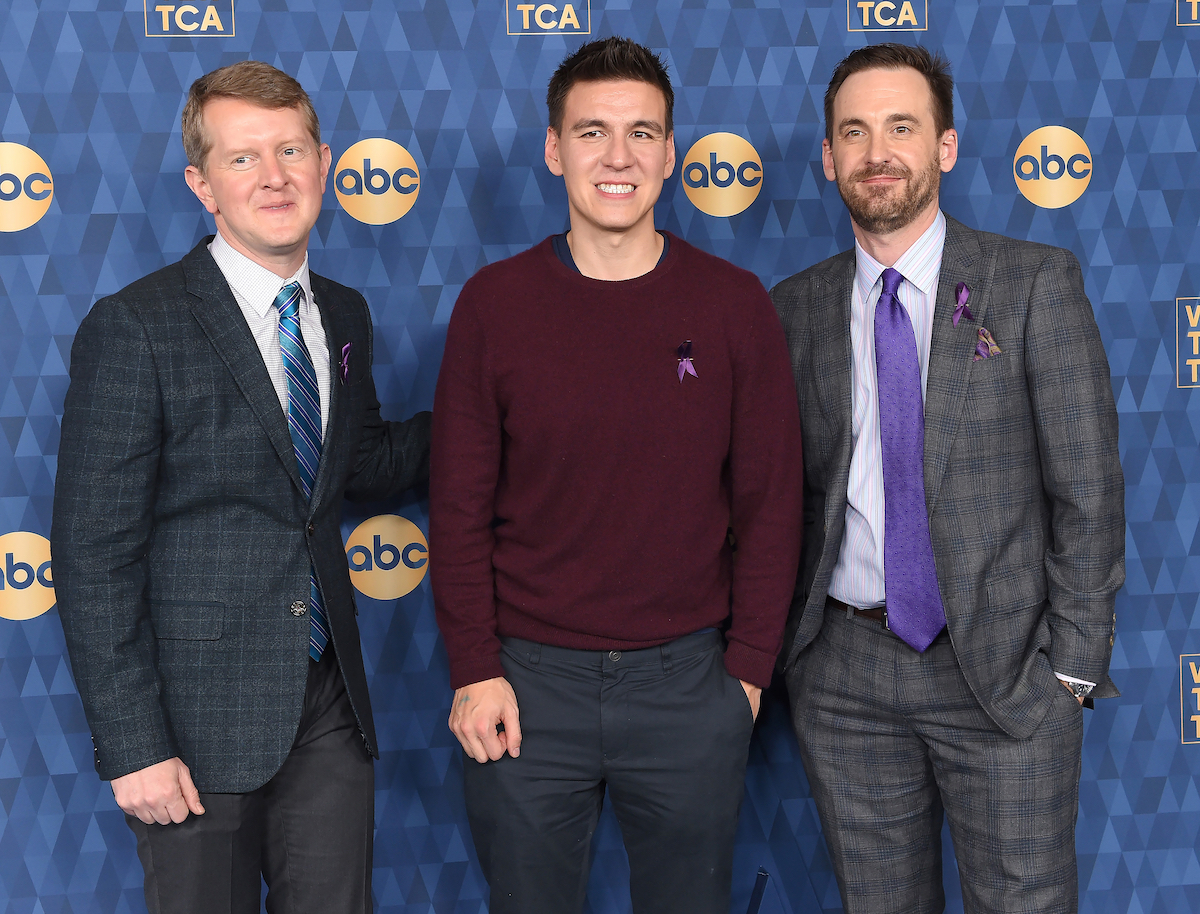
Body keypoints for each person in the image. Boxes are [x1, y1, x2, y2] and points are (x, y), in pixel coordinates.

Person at [429, 36, 803, 914]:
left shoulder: (731, 303)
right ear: (555, 148)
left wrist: (745, 677)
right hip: (525, 688)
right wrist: (476, 668)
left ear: (671, 154)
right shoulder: (494, 304)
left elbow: (773, 503)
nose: (619, 156)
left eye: (643, 133)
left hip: (689, 687)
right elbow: (457, 508)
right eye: (592, 132)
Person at [52, 60, 430, 914]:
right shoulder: (136, 325)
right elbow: (90, 553)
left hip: (328, 703)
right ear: (202, 184)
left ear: (325, 162)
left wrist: (496, 414)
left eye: (291, 150)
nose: (274, 177)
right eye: (243, 158)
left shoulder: (345, 313)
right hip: (192, 729)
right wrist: (135, 745)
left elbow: (359, 464)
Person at [770, 43, 1124, 914]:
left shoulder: (1034, 284)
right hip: (846, 682)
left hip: (1003, 677)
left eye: (901, 127)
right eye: (853, 132)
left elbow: (1088, 490)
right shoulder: (793, 308)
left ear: (947, 146)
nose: (876, 152)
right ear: (828, 157)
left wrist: (1070, 671)